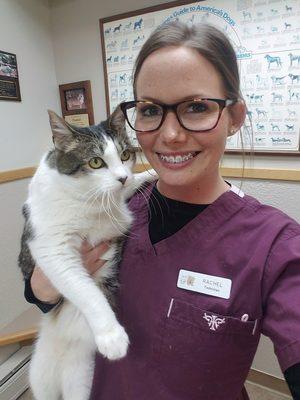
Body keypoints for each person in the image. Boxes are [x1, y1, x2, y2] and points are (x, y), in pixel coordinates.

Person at [25, 21, 300, 399]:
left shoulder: (274, 245)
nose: (170, 135)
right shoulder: (116, 204)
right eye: (151, 110)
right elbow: (44, 287)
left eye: (197, 107)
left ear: (234, 117)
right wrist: (41, 288)